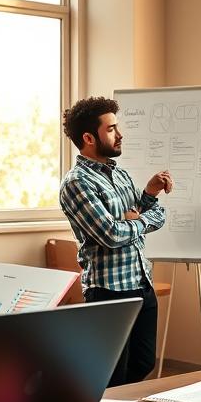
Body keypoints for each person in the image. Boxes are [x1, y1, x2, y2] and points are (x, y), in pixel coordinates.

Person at [58, 96, 172, 386]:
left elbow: (157, 214)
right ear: (88, 138)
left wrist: (148, 195)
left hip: (141, 282)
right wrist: (140, 221)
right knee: (113, 375)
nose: (120, 135)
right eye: (111, 129)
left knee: (143, 363)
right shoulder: (77, 183)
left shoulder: (119, 174)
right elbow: (110, 235)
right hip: (109, 291)